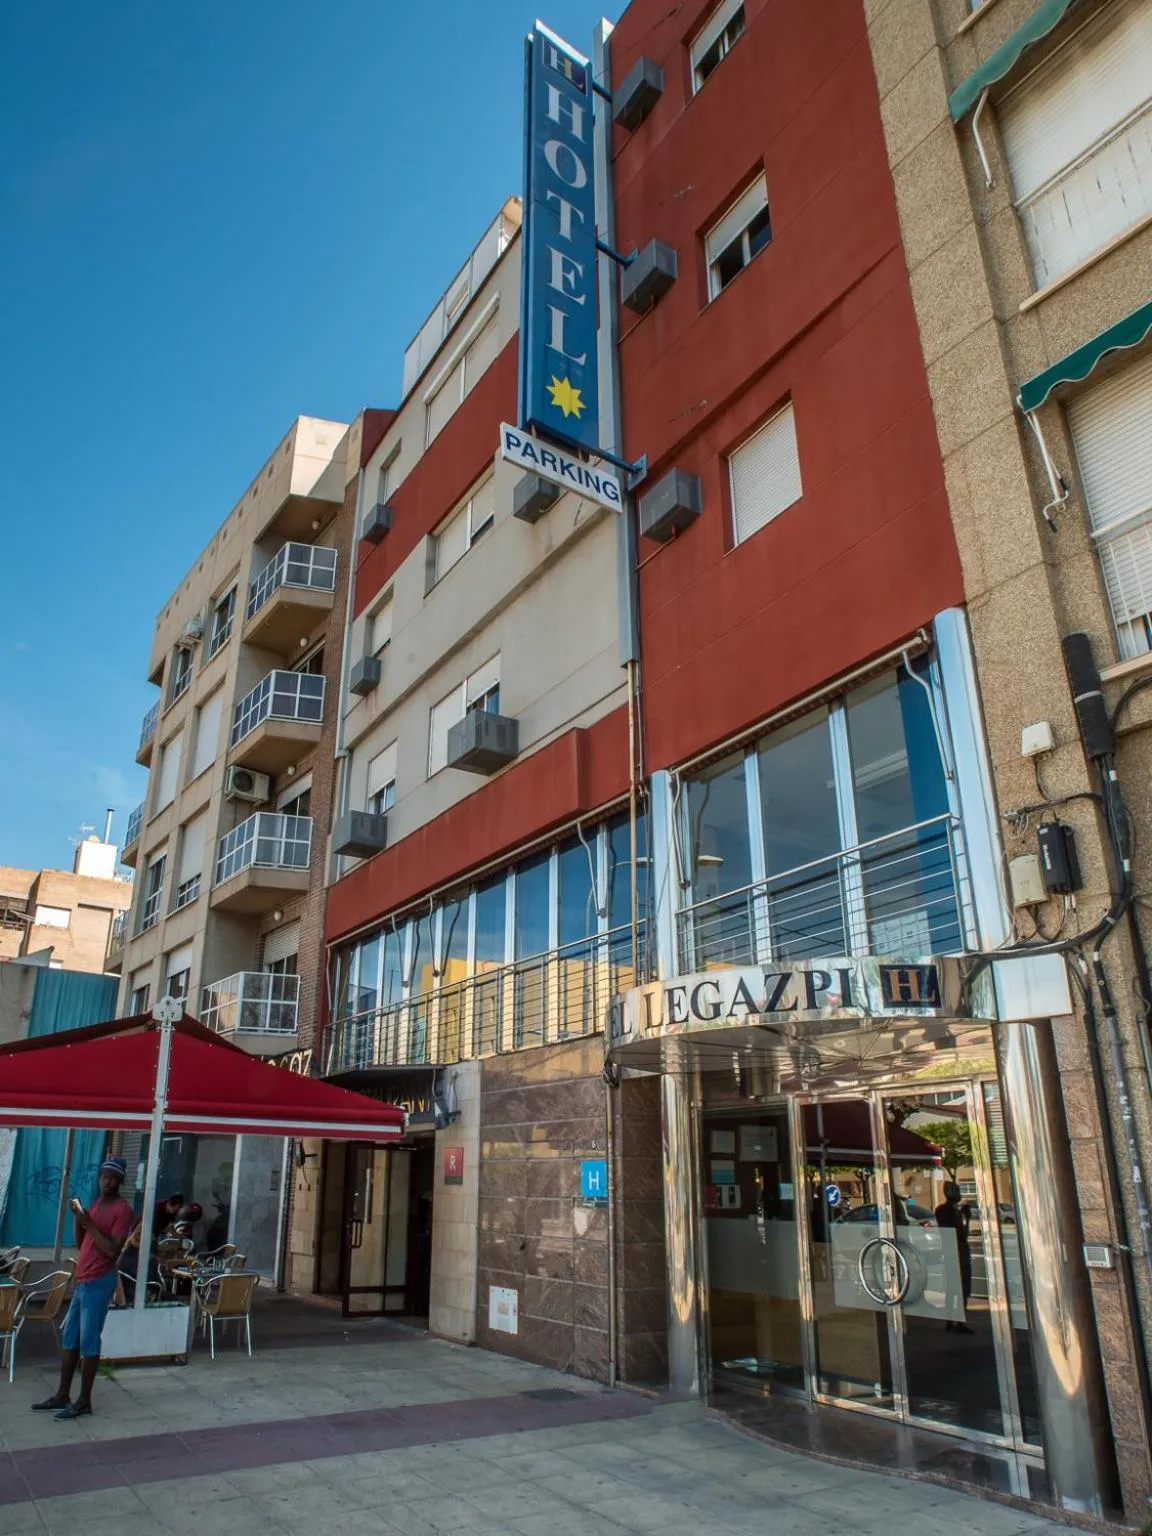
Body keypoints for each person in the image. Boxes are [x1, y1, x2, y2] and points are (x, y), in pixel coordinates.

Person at [31, 1156, 136, 1420]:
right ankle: (63, 1394)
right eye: (103, 1176)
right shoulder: (98, 1204)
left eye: (112, 1178)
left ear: (120, 1181)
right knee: (70, 1339)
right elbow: (83, 1243)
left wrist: (89, 1223)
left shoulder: (122, 1210)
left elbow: (113, 1250)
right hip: (83, 1280)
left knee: (89, 1342)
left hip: (99, 1281)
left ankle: (84, 1401)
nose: (106, 1181)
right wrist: (80, 1220)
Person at [935, 1180, 974, 1334]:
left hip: (948, 1251)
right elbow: (963, 1235)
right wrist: (967, 1218)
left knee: (951, 1288)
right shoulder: (953, 1212)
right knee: (963, 1288)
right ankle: (960, 1321)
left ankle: (949, 1320)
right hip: (960, 1252)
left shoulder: (939, 1210)